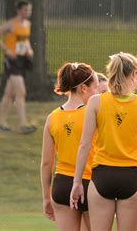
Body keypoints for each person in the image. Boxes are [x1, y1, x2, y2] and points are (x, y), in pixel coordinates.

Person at [70, 52, 137, 231]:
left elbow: (84, 144)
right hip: (132, 177)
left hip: (102, 175)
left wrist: (77, 182)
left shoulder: (96, 101)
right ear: (134, 75)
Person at [40, 62, 99, 231]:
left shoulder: (52, 118)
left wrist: (46, 197)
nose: (96, 93)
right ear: (83, 88)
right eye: (95, 87)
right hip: (89, 182)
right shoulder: (92, 113)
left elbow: (46, 163)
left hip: (62, 185)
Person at [0, 0, 36, 134]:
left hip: (22, 61)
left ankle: (1, 123)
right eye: (26, 9)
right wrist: (6, 49)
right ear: (19, 10)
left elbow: (25, 41)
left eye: (29, 9)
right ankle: (23, 125)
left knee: (8, 93)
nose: (28, 12)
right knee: (21, 92)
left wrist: (29, 49)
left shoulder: (27, 24)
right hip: (12, 61)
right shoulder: (11, 24)